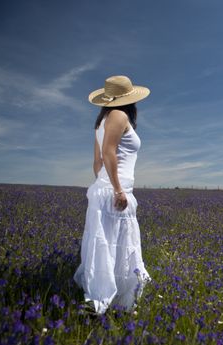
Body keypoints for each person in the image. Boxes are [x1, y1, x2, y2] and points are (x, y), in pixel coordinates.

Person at [73, 75, 151, 315]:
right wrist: (117, 189)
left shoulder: (102, 121)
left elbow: (96, 163)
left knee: (106, 247)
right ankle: (111, 305)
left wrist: (104, 186)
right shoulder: (119, 115)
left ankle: (101, 301)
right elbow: (108, 153)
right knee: (119, 246)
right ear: (129, 99)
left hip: (104, 190)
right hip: (116, 191)